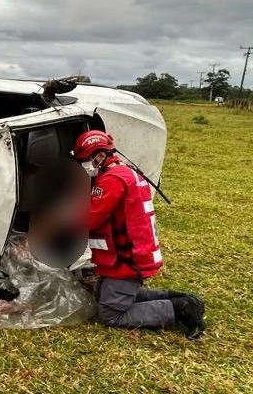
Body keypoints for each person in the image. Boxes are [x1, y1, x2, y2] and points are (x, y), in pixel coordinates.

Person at [73, 130, 206, 340]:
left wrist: (58, 223)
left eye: (85, 160)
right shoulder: (124, 172)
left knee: (110, 313)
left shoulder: (111, 181)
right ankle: (180, 298)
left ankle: (180, 308)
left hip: (125, 260)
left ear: (100, 156)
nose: (84, 166)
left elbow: (89, 220)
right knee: (103, 296)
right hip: (132, 254)